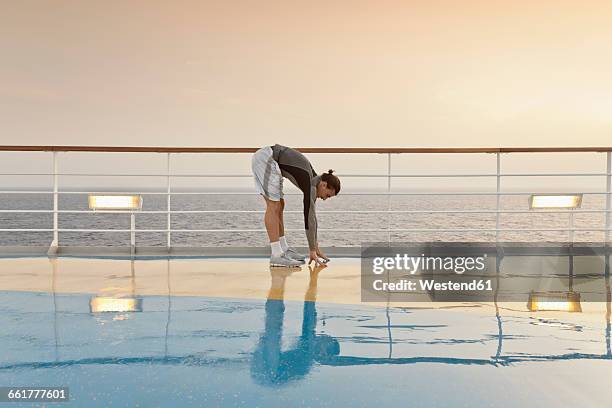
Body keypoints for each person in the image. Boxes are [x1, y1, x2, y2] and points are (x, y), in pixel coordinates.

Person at [251, 144, 341, 267]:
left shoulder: (313, 181)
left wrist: (315, 246)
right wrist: (312, 250)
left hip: (272, 162)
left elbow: (312, 218)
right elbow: (309, 219)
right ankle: (276, 254)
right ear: (324, 185)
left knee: (280, 205)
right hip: (267, 159)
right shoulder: (311, 185)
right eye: (328, 195)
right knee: (273, 205)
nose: (325, 199)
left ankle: (283, 249)